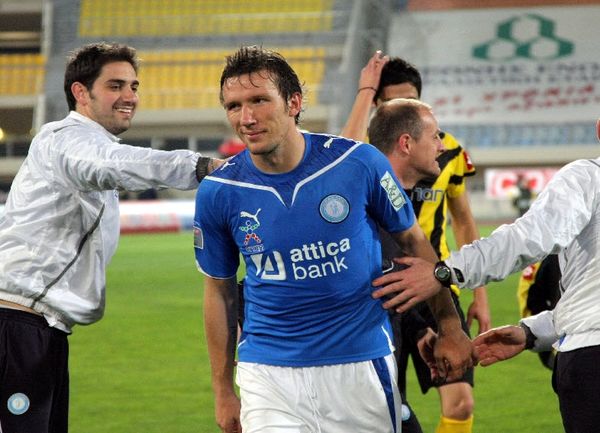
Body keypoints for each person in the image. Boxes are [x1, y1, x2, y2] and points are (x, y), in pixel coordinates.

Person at [194, 46, 473, 433]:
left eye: (259, 100)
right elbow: (219, 292)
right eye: (234, 106)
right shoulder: (219, 191)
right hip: (268, 374)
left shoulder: (358, 163)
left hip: (360, 366)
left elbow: (414, 243)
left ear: (294, 103)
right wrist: (223, 390)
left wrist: (450, 325)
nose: (247, 118)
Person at [0, 42, 221, 433]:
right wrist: (204, 166)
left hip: (38, 329)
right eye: (115, 86)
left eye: (134, 86)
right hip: (15, 328)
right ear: (81, 92)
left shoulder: (86, 145)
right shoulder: (63, 138)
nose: (130, 96)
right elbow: (109, 164)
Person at [375, 118, 600, 433]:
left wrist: (446, 271)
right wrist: (533, 332)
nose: (441, 146)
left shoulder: (588, 178)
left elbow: (529, 238)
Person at [342, 52, 490, 433]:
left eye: (411, 100)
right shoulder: (363, 172)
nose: (439, 143)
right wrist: (364, 90)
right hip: (382, 290)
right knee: (389, 406)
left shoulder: (445, 155)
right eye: (394, 102)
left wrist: (463, 307)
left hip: (431, 282)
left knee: (456, 403)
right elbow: (345, 151)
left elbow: (459, 223)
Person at [516, 254, 561, 370]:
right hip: (569, 346)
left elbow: (528, 295)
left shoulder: (547, 253)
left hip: (569, 347)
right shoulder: (548, 254)